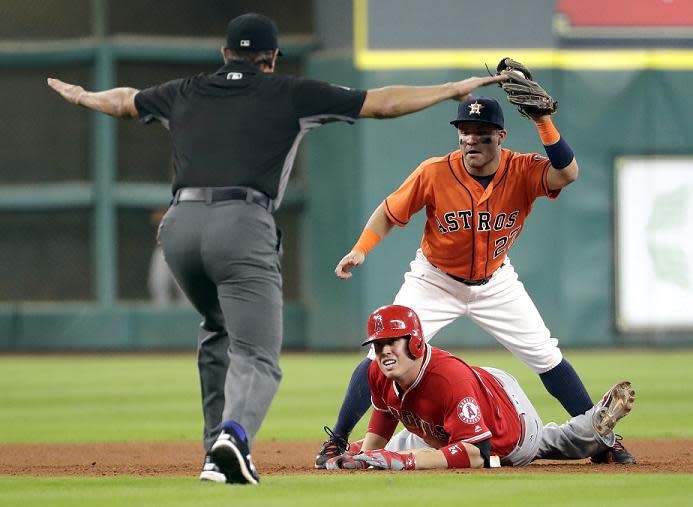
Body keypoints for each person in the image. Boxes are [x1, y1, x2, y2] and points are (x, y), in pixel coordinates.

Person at [46, 13, 506, 485]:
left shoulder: (185, 90)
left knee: (217, 329)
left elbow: (124, 101)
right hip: (241, 223)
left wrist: (84, 97)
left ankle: (214, 452)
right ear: (270, 60)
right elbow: (382, 103)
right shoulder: (288, 92)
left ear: (226, 54)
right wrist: (450, 89)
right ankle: (235, 438)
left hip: (179, 227)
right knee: (259, 354)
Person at [316, 95, 635, 467]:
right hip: (434, 279)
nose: (471, 140)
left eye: (481, 133)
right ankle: (337, 439)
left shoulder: (521, 169)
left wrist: (543, 122)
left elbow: (567, 173)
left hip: (495, 281)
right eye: (464, 132)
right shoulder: (434, 172)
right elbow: (389, 212)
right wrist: (361, 248)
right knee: (379, 355)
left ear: (500, 136)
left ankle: (601, 440)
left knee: (546, 355)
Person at [325, 305, 635, 471]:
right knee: (402, 445)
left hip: (509, 417)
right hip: (458, 402)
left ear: (416, 342)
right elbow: (384, 420)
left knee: (538, 445)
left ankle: (594, 426)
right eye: (378, 345)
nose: (384, 352)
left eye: (392, 342)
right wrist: (363, 458)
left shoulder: (447, 380)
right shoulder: (378, 372)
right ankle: (351, 449)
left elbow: (477, 454)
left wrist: (403, 462)